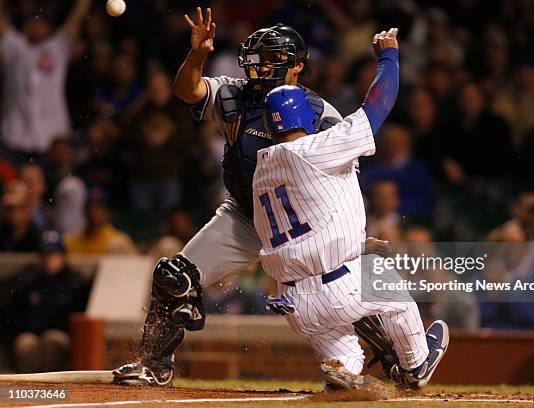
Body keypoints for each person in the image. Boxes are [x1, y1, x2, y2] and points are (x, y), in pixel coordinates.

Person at [112, 7, 398, 387]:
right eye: (258, 60)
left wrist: (354, 239)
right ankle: (154, 364)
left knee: (335, 290)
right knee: (172, 276)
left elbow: (341, 186)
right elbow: (187, 91)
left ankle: (394, 353)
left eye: (273, 60)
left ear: (297, 67)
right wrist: (197, 55)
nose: (261, 68)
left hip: (301, 229)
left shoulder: (320, 115)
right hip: (245, 216)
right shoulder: (236, 96)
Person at [253, 28, 449, 390]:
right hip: (339, 285)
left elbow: (307, 222)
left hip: (296, 302)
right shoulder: (316, 149)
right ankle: (416, 365)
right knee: (393, 293)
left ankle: (341, 374)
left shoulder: (262, 169)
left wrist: (351, 245)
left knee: (345, 357)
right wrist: (389, 56)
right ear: (305, 118)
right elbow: (378, 105)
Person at [0, 0, 91, 164]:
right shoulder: (15, 47)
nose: (36, 26)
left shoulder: (57, 47)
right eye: (32, 22)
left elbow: (77, 16)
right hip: (13, 136)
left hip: (51, 138)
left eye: (41, 23)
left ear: (50, 28)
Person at [4, 231, 88, 373]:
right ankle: (27, 387)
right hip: (31, 332)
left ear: (63, 256)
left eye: (54, 254)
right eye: (46, 254)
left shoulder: (75, 282)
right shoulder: (30, 280)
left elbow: (79, 316)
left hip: (62, 334)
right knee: (25, 343)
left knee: (53, 340)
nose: (50, 258)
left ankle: (53, 386)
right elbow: (14, 311)